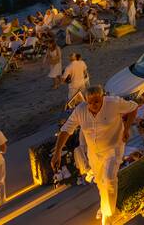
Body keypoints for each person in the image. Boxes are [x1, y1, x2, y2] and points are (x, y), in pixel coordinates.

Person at [51, 86, 137, 225]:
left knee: (109, 179)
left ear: (102, 97)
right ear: (86, 101)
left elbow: (133, 108)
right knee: (100, 183)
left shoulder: (114, 103)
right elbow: (66, 130)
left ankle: (109, 216)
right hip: (94, 153)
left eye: (97, 101)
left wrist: (126, 129)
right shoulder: (80, 110)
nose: (93, 105)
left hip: (113, 148)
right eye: (90, 102)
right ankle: (104, 207)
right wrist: (57, 153)